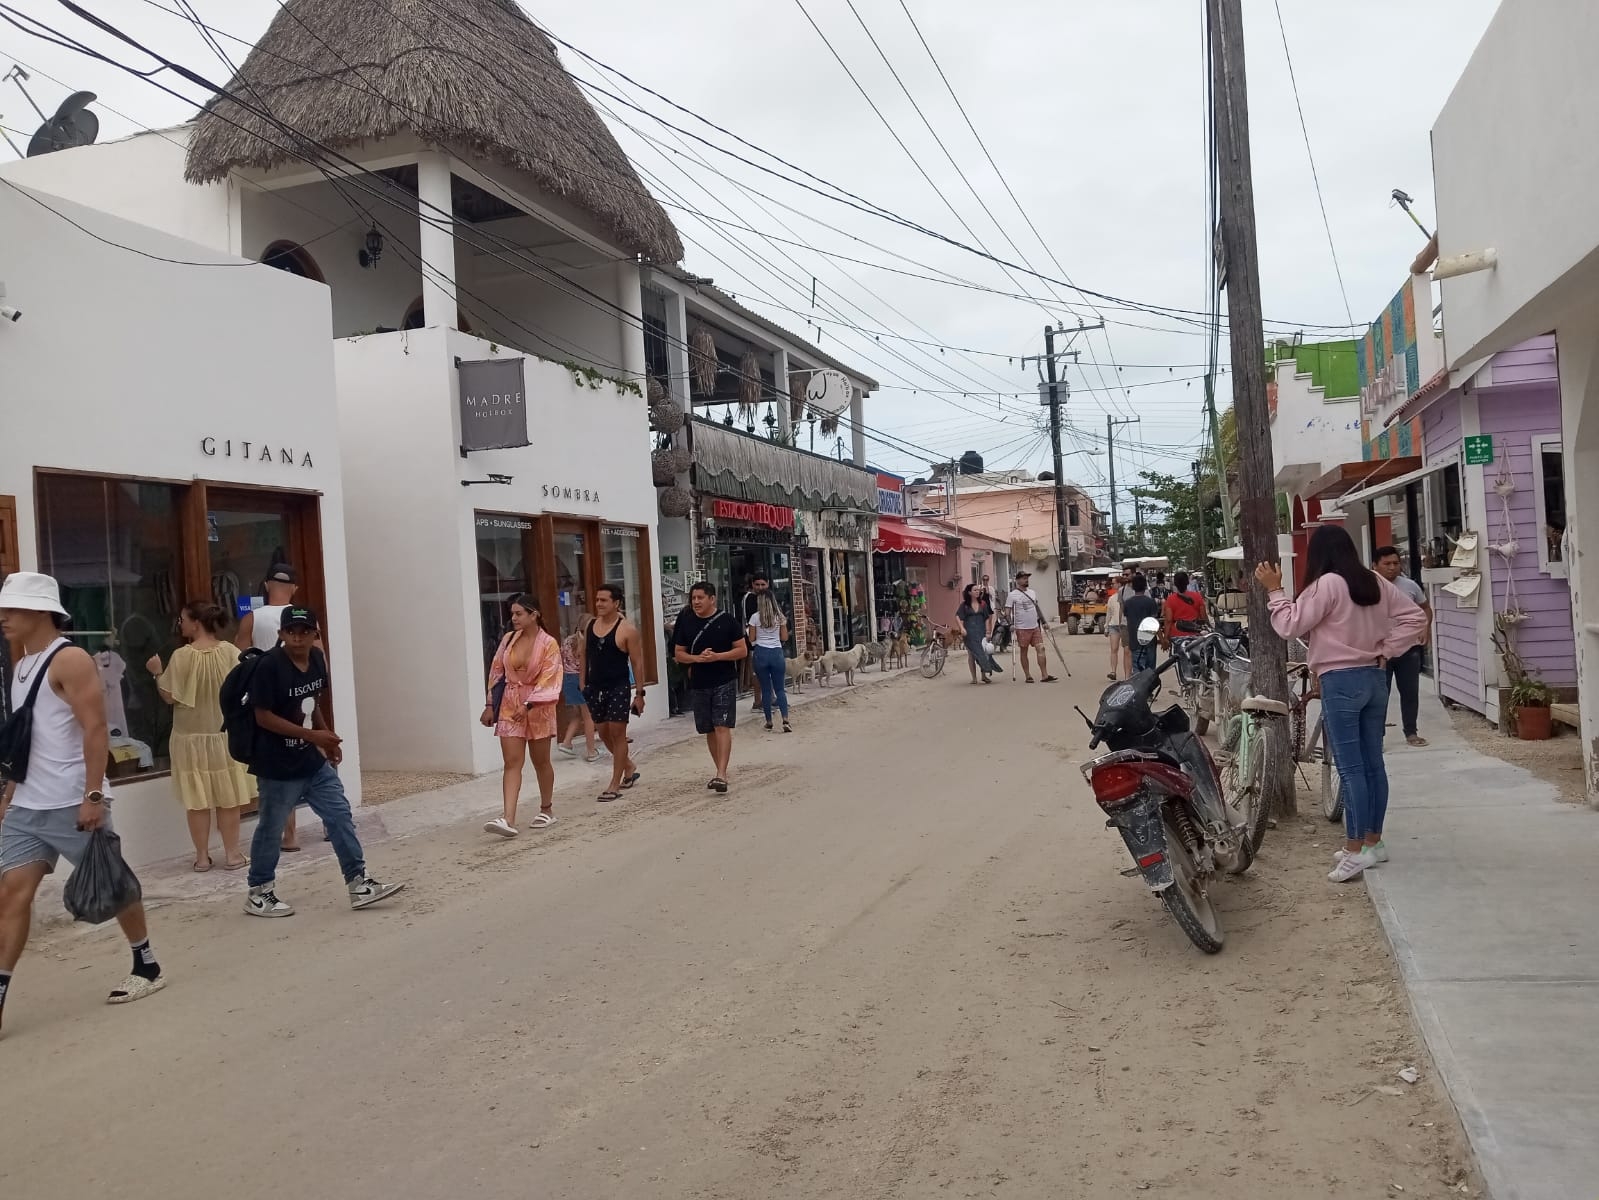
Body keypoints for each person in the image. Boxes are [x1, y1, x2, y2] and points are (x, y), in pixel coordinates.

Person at [0, 572, 165, 1031]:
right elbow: (27, 740)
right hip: (28, 805)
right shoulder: (22, 665)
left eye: (11, 609)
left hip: (73, 801)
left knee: (111, 884)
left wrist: (93, 795)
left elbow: (96, 729)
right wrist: (10, 794)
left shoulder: (69, 659)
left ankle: (146, 963)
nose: (3, 617)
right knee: (10, 895)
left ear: (40, 611)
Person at [1258, 526, 1427, 883]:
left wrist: (1275, 590)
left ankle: (1354, 852)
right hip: (1373, 677)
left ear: (1319, 554)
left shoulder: (1328, 584)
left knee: (1350, 769)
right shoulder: (1376, 581)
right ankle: (1372, 842)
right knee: (1372, 764)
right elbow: (1416, 617)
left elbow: (1289, 625)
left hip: (1340, 680)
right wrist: (1386, 648)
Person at [243, 606, 404, 916]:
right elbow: (262, 717)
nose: (298, 638)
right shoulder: (269, 667)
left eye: (305, 632)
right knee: (271, 826)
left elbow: (311, 701)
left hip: (310, 760)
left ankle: (358, 883)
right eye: (291, 631)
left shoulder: (316, 660)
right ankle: (259, 891)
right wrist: (313, 738)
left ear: (315, 635)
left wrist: (325, 735)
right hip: (276, 764)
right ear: (281, 634)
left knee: (339, 813)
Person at [147, 601, 253, 871]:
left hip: (191, 739)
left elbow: (169, 697)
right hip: (223, 735)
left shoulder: (182, 656)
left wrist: (156, 673)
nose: (180, 624)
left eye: (183, 618)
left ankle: (202, 857)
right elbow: (243, 689)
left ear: (196, 622)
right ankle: (232, 854)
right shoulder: (230, 651)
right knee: (228, 799)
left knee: (198, 801)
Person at [236, 563, 309, 853]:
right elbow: (319, 657)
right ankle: (298, 832)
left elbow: (238, 660)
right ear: (294, 589)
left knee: (275, 769)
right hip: (301, 699)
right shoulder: (303, 618)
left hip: (266, 699)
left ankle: (282, 832)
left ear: (266, 586)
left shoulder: (252, 618)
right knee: (307, 759)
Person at [481, 594, 563, 837]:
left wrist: (528, 705)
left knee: (541, 761)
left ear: (533, 614)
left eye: (518, 613)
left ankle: (546, 809)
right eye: (512, 613)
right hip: (509, 702)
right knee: (512, 761)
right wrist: (489, 705)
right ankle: (508, 818)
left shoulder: (549, 643)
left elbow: (550, 678)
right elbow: (496, 671)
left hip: (538, 706)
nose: (513, 618)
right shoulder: (508, 640)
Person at [671, 582, 746, 793]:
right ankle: (719, 769)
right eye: (693, 598)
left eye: (700, 598)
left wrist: (718, 657)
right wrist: (697, 659)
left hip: (724, 680)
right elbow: (678, 653)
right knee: (709, 728)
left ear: (712, 599)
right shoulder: (687, 623)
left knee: (722, 725)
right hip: (699, 682)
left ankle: (721, 774)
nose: (696, 602)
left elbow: (742, 651)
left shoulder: (727, 621)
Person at [580, 584, 645, 803]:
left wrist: (640, 693)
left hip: (618, 687)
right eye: (597, 600)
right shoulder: (590, 626)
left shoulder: (627, 630)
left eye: (604, 600)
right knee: (604, 733)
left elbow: (637, 663)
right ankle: (628, 766)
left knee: (618, 733)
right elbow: (584, 656)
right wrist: (583, 685)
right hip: (594, 688)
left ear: (616, 603)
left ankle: (614, 784)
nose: (599, 604)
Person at [1374, 546, 1433, 747]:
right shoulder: (1369, 586)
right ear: (1375, 565)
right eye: (1387, 564)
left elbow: (1425, 608)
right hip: (1380, 650)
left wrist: (1425, 629)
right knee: (1380, 694)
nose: (1392, 567)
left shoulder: (1410, 586)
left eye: (1396, 563)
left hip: (1408, 648)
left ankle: (1411, 732)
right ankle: (1377, 736)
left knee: (1410, 691)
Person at [556, 617, 599, 762]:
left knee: (577, 714)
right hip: (581, 680)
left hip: (568, 679)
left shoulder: (567, 640)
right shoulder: (588, 643)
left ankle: (566, 742)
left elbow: (561, 659)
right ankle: (591, 751)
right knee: (588, 716)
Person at [747, 591, 793, 732]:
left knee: (766, 690)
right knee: (780, 689)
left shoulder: (755, 617)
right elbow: (784, 637)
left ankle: (769, 721)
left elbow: (752, 639)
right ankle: (785, 719)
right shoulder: (780, 617)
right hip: (776, 653)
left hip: (761, 653)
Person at [1005, 569, 1057, 683]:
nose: (1026, 580)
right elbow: (1007, 612)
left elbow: (1036, 608)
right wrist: (1010, 624)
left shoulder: (1032, 593)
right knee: (1024, 651)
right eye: (1024, 578)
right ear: (1018, 580)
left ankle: (1044, 675)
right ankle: (1028, 675)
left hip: (1034, 626)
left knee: (1041, 648)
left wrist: (1043, 621)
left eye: (1027, 578)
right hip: (1021, 627)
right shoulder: (1012, 595)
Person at [954, 583, 1002, 684]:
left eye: (978, 590)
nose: (977, 592)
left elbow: (986, 619)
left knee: (983, 652)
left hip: (981, 632)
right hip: (969, 633)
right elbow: (958, 616)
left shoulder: (983, 604)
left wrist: (988, 632)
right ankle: (974, 678)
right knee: (971, 654)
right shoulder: (964, 605)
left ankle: (984, 676)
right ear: (969, 592)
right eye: (975, 590)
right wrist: (962, 628)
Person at [740, 573, 771, 712]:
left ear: (768, 584)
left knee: (767, 671)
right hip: (755, 641)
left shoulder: (766, 598)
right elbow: (752, 622)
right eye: (757, 584)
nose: (760, 587)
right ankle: (758, 702)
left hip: (767, 640)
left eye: (762, 584)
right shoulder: (750, 599)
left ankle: (770, 698)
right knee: (757, 673)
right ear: (752, 585)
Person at [1122, 573, 1162, 673]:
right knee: (1150, 671)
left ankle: (1139, 688)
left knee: (1137, 670)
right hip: (1150, 641)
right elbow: (1154, 622)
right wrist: (1162, 639)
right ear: (1145, 586)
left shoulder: (1127, 603)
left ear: (1133, 587)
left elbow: (1128, 621)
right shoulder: (1151, 602)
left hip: (1135, 640)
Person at [1161, 569, 1209, 642]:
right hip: (1195, 635)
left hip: (1177, 636)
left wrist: (1165, 638)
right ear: (1187, 582)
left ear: (1175, 584)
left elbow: (1168, 620)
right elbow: (1203, 617)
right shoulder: (1197, 596)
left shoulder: (1170, 599)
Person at [1104, 571, 1128, 680]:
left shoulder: (1126, 596)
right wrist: (1106, 626)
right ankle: (1113, 671)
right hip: (1114, 625)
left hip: (1124, 625)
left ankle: (1127, 673)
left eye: (1114, 583)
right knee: (1114, 649)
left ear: (1119, 584)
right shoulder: (1112, 598)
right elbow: (1109, 613)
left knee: (1127, 650)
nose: (1112, 585)